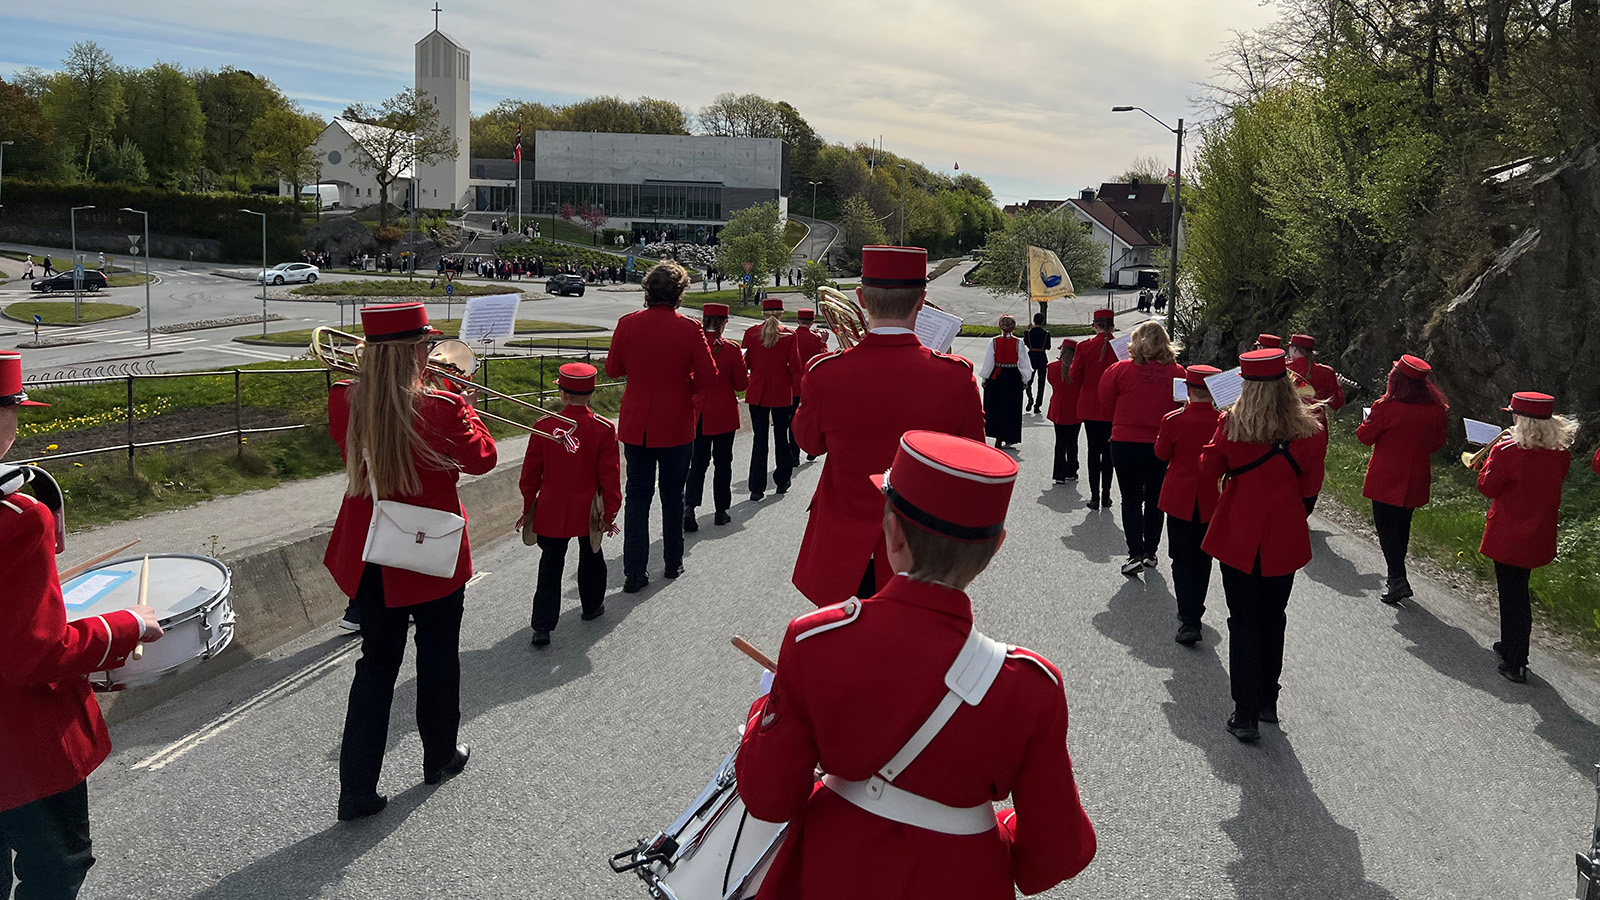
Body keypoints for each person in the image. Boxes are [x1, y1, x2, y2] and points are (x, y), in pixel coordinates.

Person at [736, 431, 1097, 900]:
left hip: (832, 870)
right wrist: (988, 828)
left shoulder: (816, 640)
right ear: (995, 548)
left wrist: (762, 709)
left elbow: (768, 796)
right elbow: (1058, 853)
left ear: (892, 532)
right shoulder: (1030, 686)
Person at [0, 351, 163, 900]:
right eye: (14, 412)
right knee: (58, 867)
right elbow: (32, 655)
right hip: (17, 745)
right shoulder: (19, 519)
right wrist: (123, 627)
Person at [324, 303, 495, 821]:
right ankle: (439, 756)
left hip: (372, 552)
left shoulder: (343, 399)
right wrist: (466, 405)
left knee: (375, 667)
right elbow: (483, 459)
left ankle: (356, 791)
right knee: (439, 658)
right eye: (424, 345)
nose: (430, 352)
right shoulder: (442, 407)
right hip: (430, 550)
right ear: (414, 350)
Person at [791, 245, 985, 607]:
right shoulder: (956, 377)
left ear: (862, 298)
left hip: (841, 548)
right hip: (924, 554)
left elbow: (808, 443)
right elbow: (973, 459)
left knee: (841, 651)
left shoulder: (825, 372)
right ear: (923, 300)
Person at [1200, 349, 1323, 742]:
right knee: (1274, 617)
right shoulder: (1308, 428)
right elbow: (1310, 488)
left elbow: (1209, 470)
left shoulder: (1232, 422)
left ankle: (1245, 712)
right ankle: (1268, 700)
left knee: (1243, 621)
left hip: (1239, 532)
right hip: (1283, 535)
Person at [605, 262, 718, 593]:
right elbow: (709, 376)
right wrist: (684, 389)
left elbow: (612, 369)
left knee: (638, 498)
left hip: (637, 422)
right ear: (680, 293)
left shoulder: (627, 324)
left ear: (647, 291)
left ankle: (634, 572)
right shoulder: (689, 328)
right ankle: (672, 562)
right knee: (673, 495)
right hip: (676, 423)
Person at [518, 363, 621, 648]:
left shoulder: (544, 425)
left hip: (551, 506)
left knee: (550, 564)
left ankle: (542, 626)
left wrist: (529, 507)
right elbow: (610, 476)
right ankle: (591, 607)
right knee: (591, 555)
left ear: (562, 394)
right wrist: (610, 512)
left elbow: (530, 474)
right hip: (588, 506)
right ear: (591, 394)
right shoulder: (603, 427)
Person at [1476, 392, 1575, 684]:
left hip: (1508, 534)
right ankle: (1511, 646)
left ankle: (1515, 660)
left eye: (1513, 414)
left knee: (1513, 597)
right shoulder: (1561, 456)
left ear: (1522, 419)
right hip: (1538, 535)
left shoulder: (1507, 451)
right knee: (1518, 591)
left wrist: (1487, 461)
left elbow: (1487, 487)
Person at [1354, 355, 1448, 605]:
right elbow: (1436, 444)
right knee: (1402, 528)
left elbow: (1364, 437)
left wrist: (1368, 419)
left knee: (1386, 529)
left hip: (1386, 477)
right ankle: (1397, 576)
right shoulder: (1436, 410)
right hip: (1416, 477)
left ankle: (1397, 578)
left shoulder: (1386, 406)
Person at [1098, 320, 1185, 575]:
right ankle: (1150, 552)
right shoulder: (1178, 372)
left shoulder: (1119, 369)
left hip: (1125, 440)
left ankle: (1134, 552)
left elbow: (1105, 400)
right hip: (1161, 442)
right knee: (1156, 498)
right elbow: (1183, 406)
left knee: (1130, 498)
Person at [1155, 365, 1221, 645]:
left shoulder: (1173, 418)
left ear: (1188, 390)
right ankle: (1196, 610)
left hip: (1180, 496)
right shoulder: (1224, 421)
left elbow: (1161, 453)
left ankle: (1188, 616)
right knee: (1203, 559)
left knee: (1180, 558)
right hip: (1211, 497)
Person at [684, 304, 747, 532]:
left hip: (698, 412)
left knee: (697, 463)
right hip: (724, 413)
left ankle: (689, 507)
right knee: (723, 463)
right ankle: (721, 510)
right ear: (725, 322)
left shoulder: (694, 346)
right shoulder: (731, 349)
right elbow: (741, 385)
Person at [744, 298, 796, 500]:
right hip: (782, 391)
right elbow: (796, 367)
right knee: (782, 438)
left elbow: (745, 362)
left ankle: (756, 487)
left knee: (760, 439)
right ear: (782, 313)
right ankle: (782, 481)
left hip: (757, 391)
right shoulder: (789, 335)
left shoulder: (751, 333)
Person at [1286, 334, 1344, 514]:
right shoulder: (1327, 372)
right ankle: (1303, 513)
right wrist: (1338, 386)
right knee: (1310, 476)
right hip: (1317, 432)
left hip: (1290, 430)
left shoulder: (1285, 369)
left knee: (1287, 471)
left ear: (1294, 349)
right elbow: (1337, 404)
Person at [1070, 309, 1119, 510]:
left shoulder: (1084, 347)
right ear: (1112, 325)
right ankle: (1106, 495)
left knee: (1093, 451)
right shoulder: (1122, 347)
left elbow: (1075, 377)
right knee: (1109, 453)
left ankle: (1094, 497)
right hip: (1114, 408)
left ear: (1095, 325)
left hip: (1090, 407)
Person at [978, 315, 1032, 449]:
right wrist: (1025, 379)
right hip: (1012, 376)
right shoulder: (1019, 343)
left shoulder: (994, 341)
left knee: (997, 407)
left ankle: (998, 435)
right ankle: (1009, 435)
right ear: (1014, 327)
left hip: (997, 375)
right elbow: (1024, 362)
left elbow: (989, 361)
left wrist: (985, 378)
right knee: (1011, 407)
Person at [787, 307, 828, 465]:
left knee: (792, 420)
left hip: (792, 384)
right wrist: (823, 343)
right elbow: (822, 359)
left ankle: (794, 454)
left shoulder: (791, 335)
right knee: (810, 419)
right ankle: (812, 450)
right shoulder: (815, 338)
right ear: (812, 322)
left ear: (798, 321)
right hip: (809, 385)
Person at [1046, 338, 1082, 484]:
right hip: (1075, 409)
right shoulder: (1078, 369)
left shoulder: (1052, 367)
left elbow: (1052, 382)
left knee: (1060, 442)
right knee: (1073, 441)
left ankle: (1059, 473)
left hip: (1058, 408)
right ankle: (1072, 470)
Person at [1022, 313, 1051, 414]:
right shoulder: (1046, 333)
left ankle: (1030, 397)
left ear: (1034, 320)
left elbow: (1025, 343)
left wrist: (1028, 330)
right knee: (1041, 383)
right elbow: (1048, 346)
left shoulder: (1028, 333)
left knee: (1029, 381)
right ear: (1043, 321)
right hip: (1042, 357)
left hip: (1031, 357)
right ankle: (1038, 405)